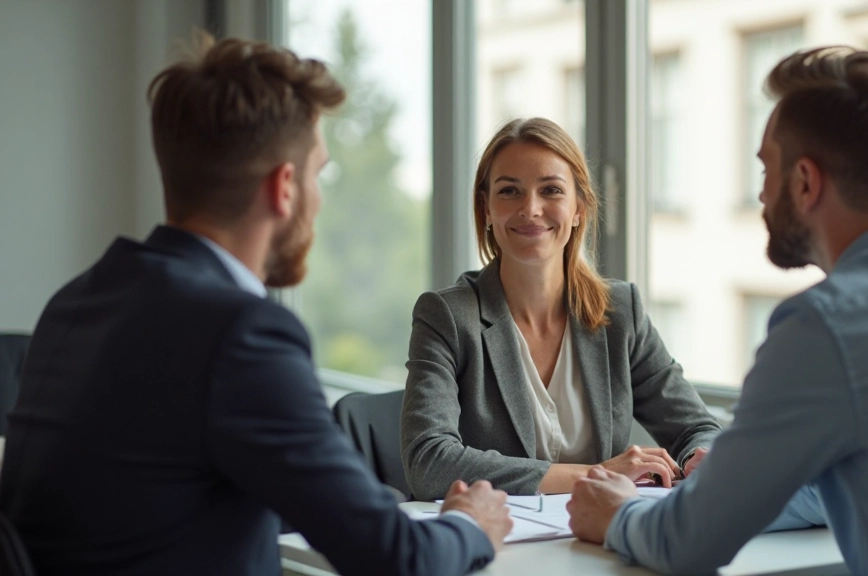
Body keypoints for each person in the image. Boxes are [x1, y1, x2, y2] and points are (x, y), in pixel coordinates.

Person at [0, 33, 511, 576]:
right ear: (284, 187)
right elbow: (396, 557)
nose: (320, 198)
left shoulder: (79, 300)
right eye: (319, 173)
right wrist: (469, 523)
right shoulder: (240, 334)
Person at [565, 46, 868, 576]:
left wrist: (617, 512)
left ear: (805, 182)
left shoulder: (827, 328)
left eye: (766, 168)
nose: (760, 193)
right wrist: (739, 481)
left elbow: (685, 546)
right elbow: (861, 480)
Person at [401, 117, 721, 501]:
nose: (530, 209)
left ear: (579, 208)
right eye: (509, 191)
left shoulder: (621, 312)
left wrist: (699, 459)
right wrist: (595, 474)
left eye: (551, 189)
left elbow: (696, 429)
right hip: (496, 543)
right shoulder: (448, 317)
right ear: (486, 208)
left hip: (600, 538)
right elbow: (429, 464)